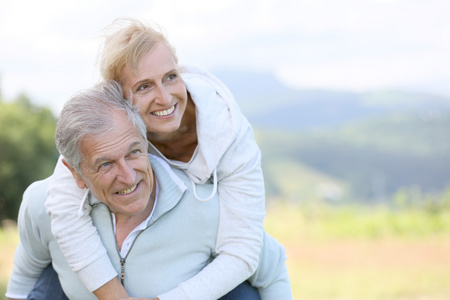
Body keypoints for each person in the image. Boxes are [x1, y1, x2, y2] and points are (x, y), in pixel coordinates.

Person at [45, 18, 272, 299]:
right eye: (144, 87)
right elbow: (64, 208)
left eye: (170, 77)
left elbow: (243, 249)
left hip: (203, 259)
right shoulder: (111, 127)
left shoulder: (230, 134)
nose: (165, 98)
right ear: (118, 97)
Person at [6, 80, 291, 300]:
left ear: (146, 142)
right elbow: (24, 281)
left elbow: (272, 268)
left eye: (133, 153)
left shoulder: (205, 206)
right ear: (76, 174)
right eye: (105, 164)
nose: (128, 177)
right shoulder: (41, 204)